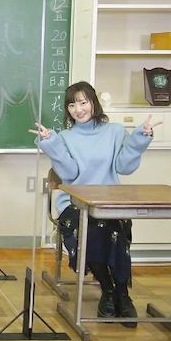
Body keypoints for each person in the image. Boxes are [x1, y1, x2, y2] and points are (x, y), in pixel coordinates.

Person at [30, 80, 158, 327]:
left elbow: (124, 167)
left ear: (93, 103)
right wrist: (51, 144)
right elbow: (70, 174)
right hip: (74, 204)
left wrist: (140, 138)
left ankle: (120, 293)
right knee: (92, 228)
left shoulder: (115, 132)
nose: (78, 109)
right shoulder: (65, 137)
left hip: (110, 202)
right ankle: (110, 290)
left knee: (115, 228)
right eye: (71, 105)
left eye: (83, 102)